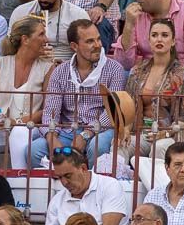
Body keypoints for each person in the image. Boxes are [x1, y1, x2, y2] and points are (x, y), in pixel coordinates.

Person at [29, 19, 126, 165]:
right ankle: (58, 184)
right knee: (34, 150)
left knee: (97, 147)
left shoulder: (114, 69)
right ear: (74, 46)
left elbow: (112, 111)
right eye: (90, 41)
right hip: (67, 130)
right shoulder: (60, 71)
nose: (98, 45)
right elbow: (50, 111)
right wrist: (52, 138)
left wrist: (86, 134)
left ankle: (93, 185)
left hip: (101, 130)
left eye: (98, 39)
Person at [0, 17, 54, 171]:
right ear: (25, 39)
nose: (46, 39)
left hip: (30, 127)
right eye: (41, 34)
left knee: (19, 133)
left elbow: (48, 110)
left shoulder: (48, 68)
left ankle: (19, 184)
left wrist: (18, 122)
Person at [41, 148, 129, 225]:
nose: (64, 182)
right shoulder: (56, 200)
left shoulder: (109, 186)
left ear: (83, 168)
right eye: (59, 177)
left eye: (68, 176)